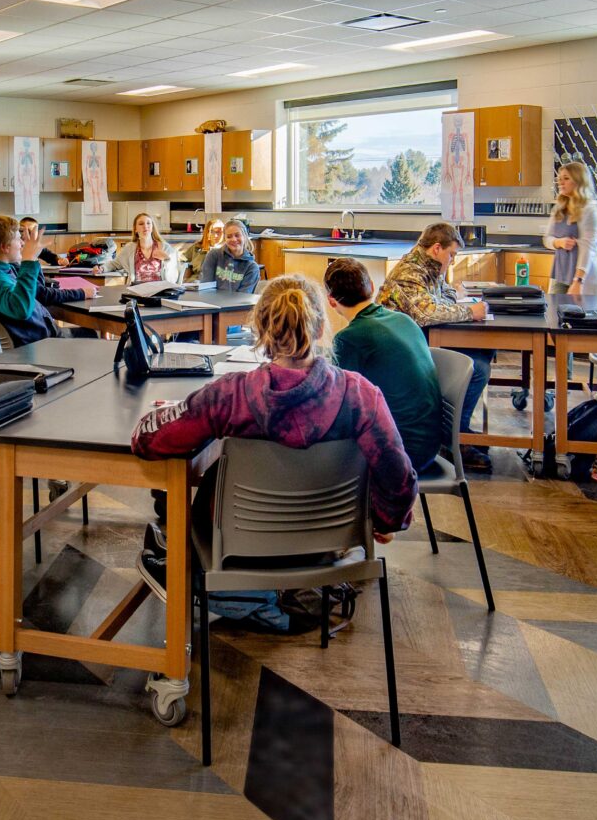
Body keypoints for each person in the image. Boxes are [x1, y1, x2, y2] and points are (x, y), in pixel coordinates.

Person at [130, 274, 416, 600]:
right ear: (321, 328)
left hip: (238, 545)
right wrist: (386, 520)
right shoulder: (361, 394)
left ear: (261, 332)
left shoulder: (229, 395)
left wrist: (170, 411)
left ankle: (189, 574)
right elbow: (398, 476)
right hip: (330, 540)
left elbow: (149, 440)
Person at [376, 222, 494, 472]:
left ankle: (457, 428)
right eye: (451, 255)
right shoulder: (410, 273)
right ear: (437, 248)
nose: (451, 261)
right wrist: (469, 312)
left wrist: (454, 302)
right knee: (478, 367)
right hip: (402, 349)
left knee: (484, 352)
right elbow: (426, 313)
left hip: (418, 338)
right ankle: (453, 438)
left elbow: (446, 294)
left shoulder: (429, 268)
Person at [325, 258, 443, 474]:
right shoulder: (404, 320)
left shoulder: (349, 338)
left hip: (401, 452)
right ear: (371, 285)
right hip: (431, 444)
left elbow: (335, 399)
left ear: (331, 301)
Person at [0, 214, 91, 348]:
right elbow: (22, 309)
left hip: (34, 338)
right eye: (19, 239)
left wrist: (30, 259)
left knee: (88, 333)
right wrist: (28, 261)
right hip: (38, 344)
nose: (23, 243)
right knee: (91, 336)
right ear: (5, 247)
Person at [543, 161, 597, 295]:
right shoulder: (559, 209)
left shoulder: (590, 209)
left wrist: (578, 280)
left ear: (579, 181)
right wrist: (558, 242)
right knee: (553, 312)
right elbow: (547, 239)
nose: (561, 183)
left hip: (584, 277)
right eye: (559, 179)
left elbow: (587, 247)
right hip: (560, 274)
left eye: (566, 179)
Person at [101, 212, 180, 283]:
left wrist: (167, 260)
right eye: (141, 224)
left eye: (148, 223)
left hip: (159, 294)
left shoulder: (165, 248)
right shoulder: (129, 248)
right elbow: (115, 264)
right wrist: (102, 268)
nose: (145, 226)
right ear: (135, 229)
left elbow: (172, 280)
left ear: (152, 228)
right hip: (136, 293)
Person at [200, 218, 260, 292]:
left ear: (244, 236)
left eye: (237, 235)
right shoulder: (213, 255)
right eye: (229, 236)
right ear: (225, 239)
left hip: (237, 303)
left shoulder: (252, 268)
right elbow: (206, 287)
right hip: (212, 302)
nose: (234, 239)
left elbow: (244, 296)